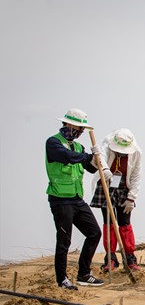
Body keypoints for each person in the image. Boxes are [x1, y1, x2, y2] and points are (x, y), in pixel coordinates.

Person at [45, 108, 105, 289]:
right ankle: (62, 279)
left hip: (77, 198)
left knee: (94, 233)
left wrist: (97, 159)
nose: (81, 132)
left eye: (83, 129)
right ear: (68, 124)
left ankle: (84, 274)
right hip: (60, 199)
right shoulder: (53, 143)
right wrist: (87, 157)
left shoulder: (79, 147)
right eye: (79, 128)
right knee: (64, 240)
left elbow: (91, 168)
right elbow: (67, 157)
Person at [89, 128, 143, 272]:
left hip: (124, 187)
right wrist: (105, 169)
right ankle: (111, 258)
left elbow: (136, 175)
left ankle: (130, 258)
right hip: (106, 184)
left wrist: (131, 197)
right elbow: (101, 157)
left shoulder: (137, 152)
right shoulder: (107, 143)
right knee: (109, 222)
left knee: (125, 223)